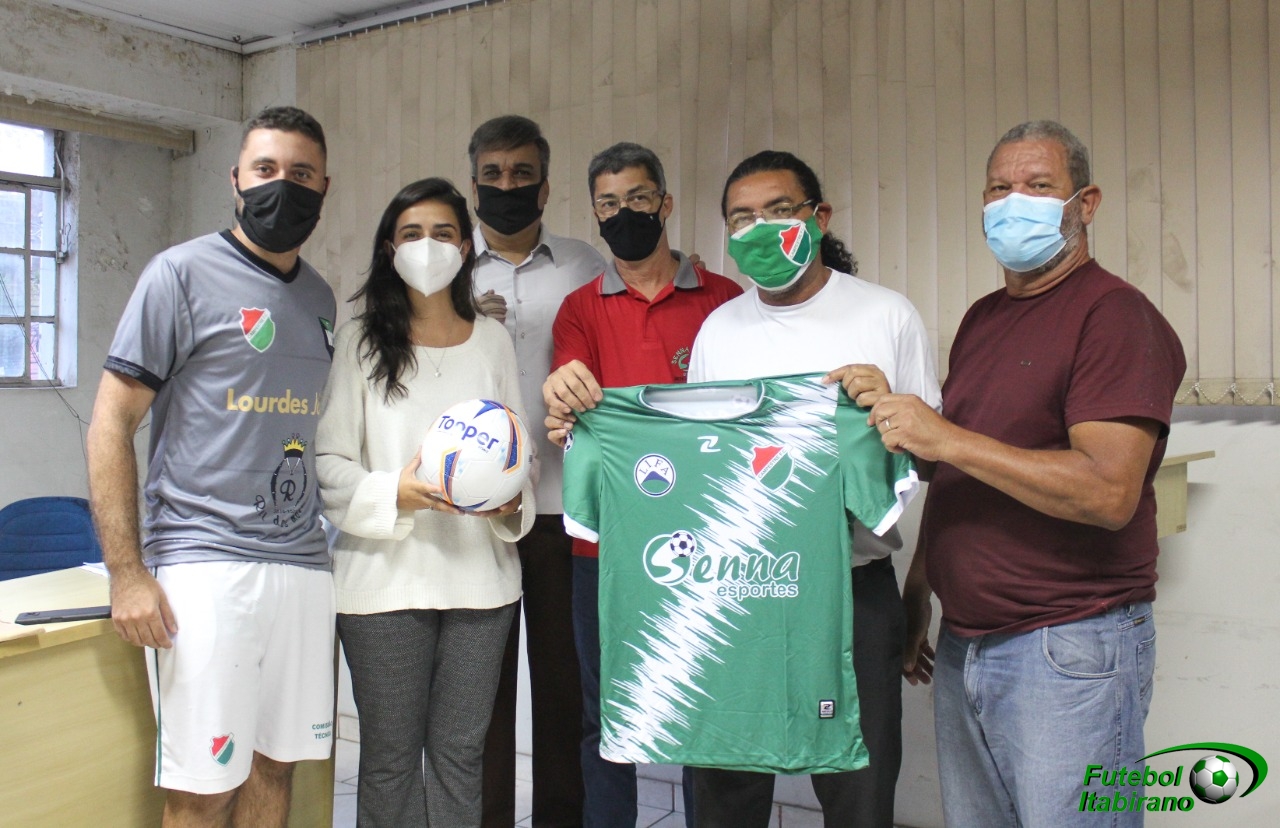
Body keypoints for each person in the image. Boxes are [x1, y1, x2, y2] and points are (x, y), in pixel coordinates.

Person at [872, 120, 1185, 827]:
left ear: (1086, 204)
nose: (1014, 203)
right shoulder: (984, 318)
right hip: (968, 643)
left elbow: (1108, 492)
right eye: (999, 189)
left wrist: (947, 437)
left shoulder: (1115, 316)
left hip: (1067, 647)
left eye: (1039, 187)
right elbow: (963, 474)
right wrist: (922, 586)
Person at [85, 106, 336, 828]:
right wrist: (127, 572)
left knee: (275, 766)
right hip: (205, 564)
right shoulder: (180, 274)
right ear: (235, 179)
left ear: (324, 188)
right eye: (266, 169)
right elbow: (111, 423)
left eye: (301, 174)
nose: (282, 186)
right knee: (203, 789)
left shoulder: (320, 297)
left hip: (302, 564)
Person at [684, 150, 942, 827]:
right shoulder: (719, 330)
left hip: (851, 590)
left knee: (859, 788)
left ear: (819, 217)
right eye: (742, 219)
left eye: (779, 211)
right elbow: (699, 463)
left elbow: (933, 460)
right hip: (739, 589)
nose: (760, 229)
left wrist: (887, 410)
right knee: (725, 785)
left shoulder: (886, 316)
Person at [315, 177, 534, 827]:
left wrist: (508, 503)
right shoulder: (360, 341)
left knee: (460, 756)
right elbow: (329, 464)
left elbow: (520, 451)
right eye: (411, 233)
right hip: (383, 586)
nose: (427, 246)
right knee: (390, 758)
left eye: (443, 233)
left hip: (481, 586)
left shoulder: (492, 341)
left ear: (465, 248)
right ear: (390, 248)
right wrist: (397, 493)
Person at [542, 142, 742, 827]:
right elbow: (572, 404)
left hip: (709, 544)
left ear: (665, 203)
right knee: (607, 718)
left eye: (637, 198)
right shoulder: (578, 310)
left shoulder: (724, 299)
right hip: (607, 550)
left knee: (707, 711)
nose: (623, 213)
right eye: (608, 203)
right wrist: (562, 394)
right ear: (594, 214)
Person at [468, 114, 605, 828]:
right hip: (473, 516)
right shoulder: (443, 271)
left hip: (562, 508)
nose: (507, 186)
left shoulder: (586, 265)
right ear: (473, 186)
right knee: (480, 701)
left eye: (522, 173)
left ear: (546, 187)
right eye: (492, 174)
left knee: (565, 693)